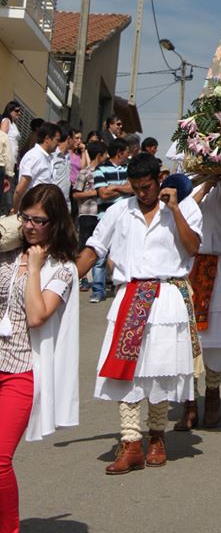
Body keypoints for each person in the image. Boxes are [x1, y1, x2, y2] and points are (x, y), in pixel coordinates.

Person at [76, 153, 202, 474]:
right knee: (126, 371)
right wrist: (65, 279)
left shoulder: (183, 207)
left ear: (160, 178)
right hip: (130, 295)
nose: (141, 193)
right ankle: (131, 442)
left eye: (146, 186)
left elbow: (192, 247)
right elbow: (95, 248)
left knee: (158, 372)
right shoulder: (120, 210)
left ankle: (157, 437)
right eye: (135, 187)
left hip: (166, 296)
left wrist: (173, 209)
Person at [0, 183, 79, 533]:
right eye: (26, 218)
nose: (30, 226)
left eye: (40, 221)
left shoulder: (62, 269)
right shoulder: (7, 251)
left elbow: (37, 316)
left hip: (20, 372)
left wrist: (34, 268)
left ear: (56, 223)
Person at [174, 175, 221, 431]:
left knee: (216, 336)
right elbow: (178, 212)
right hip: (190, 264)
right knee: (186, 336)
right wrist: (205, 184)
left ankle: (213, 392)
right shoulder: (188, 179)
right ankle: (190, 400)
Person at [91, 138, 133, 303]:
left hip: (125, 216)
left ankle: (119, 287)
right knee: (100, 255)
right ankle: (98, 291)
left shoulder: (129, 168)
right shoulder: (100, 169)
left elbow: (132, 188)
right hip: (104, 217)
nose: (128, 154)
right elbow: (102, 194)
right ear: (119, 152)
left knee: (122, 253)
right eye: (126, 151)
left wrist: (113, 187)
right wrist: (122, 187)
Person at [73, 140, 109, 291]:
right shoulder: (85, 172)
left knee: (101, 246)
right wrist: (96, 192)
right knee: (84, 245)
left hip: (102, 214)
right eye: (105, 154)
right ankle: (80, 278)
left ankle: (100, 279)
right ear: (99, 155)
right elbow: (76, 194)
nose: (107, 156)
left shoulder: (105, 172)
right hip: (87, 213)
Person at [11, 123, 61, 214]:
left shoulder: (48, 158)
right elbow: (20, 189)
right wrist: (16, 210)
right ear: (47, 139)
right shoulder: (34, 156)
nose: (58, 144)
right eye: (57, 140)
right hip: (30, 212)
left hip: (41, 211)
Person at [51, 122, 74, 213]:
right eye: (74, 138)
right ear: (68, 138)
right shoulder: (52, 155)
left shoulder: (68, 156)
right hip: (52, 204)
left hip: (64, 205)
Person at [0, 102, 22, 177]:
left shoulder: (13, 124)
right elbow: (1, 140)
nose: (19, 113)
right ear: (10, 110)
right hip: (6, 162)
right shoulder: (6, 121)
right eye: (17, 111)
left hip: (12, 161)